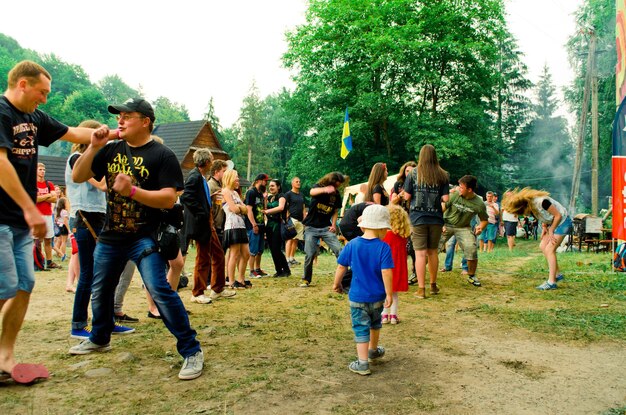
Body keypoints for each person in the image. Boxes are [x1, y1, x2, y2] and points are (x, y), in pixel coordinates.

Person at [69, 97, 203, 380]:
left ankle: (191, 350)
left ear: (145, 121)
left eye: (127, 116)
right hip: (110, 236)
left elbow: (169, 199)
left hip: (144, 237)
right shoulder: (110, 149)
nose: (120, 120)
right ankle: (100, 337)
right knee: (101, 290)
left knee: (159, 290)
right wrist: (93, 146)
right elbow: (79, 175)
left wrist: (132, 192)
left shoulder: (162, 155)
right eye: (119, 115)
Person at [0, 60, 106, 383]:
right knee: (4, 287)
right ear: (23, 85)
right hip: (4, 217)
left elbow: (74, 132)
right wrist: (31, 208)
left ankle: (5, 358)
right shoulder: (2, 113)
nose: (45, 99)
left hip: (20, 222)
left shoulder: (35, 118)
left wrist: (110, 135)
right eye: (42, 92)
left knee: (25, 285)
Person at [332, 204, 393, 376]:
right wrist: (389, 293)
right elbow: (386, 272)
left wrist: (336, 284)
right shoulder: (383, 247)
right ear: (382, 228)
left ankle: (363, 362)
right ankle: (373, 350)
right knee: (375, 323)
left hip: (357, 297)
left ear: (363, 225)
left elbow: (341, 267)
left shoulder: (352, 245)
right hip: (378, 297)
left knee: (360, 327)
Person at [180, 148, 235, 304]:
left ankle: (218, 288)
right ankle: (197, 293)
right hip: (202, 223)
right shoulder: (194, 176)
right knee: (203, 258)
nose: (212, 161)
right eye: (211, 159)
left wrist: (207, 199)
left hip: (208, 222)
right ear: (205, 161)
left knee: (218, 254)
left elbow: (195, 197)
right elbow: (186, 197)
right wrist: (202, 212)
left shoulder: (201, 177)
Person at [403, 144, 449, 298]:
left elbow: (407, 196)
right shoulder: (443, 174)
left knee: (420, 254)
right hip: (436, 218)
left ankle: (421, 289)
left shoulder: (413, 174)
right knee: (433, 252)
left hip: (417, 218)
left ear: (421, 156)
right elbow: (446, 199)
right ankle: (433, 286)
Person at [502, 188, 572, 290]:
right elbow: (543, 215)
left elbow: (558, 215)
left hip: (563, 222)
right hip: (553, 223)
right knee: (543, 246)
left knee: (549, 249)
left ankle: (552, 282)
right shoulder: (530, 206)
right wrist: (544, 227)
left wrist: (551, 230)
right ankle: (557, 274)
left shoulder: (542, 202)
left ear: (524, 206)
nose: (524, 214)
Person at [439, 175, 488, 287]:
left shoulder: (479, 204)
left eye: (461, 187)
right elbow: (442, 209)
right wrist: (440, 223)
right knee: (431, 247)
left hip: (463, 227)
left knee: (471, 247)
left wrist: (480, 227)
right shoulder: (455, 195)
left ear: (469, 190)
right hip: (446, 224)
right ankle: (416, 272)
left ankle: (471, 276)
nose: (458, 189)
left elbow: (485, 220)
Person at [300, 172, 346, 288]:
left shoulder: (336, 195)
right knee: (310, 254)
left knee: (339, 250)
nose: (336, 187)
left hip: (326, 228)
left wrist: (334, 225)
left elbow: (335, 211)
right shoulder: (319, 187)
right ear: (330, 181)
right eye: (335, 185)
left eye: (338, 185)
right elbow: (311, 192)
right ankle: (306, 279)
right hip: (311, 227)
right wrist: (326, 189)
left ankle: (345, 278)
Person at [221, 169, 250, 289]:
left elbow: (246, 209)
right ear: (230, 178)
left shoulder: (236, 193)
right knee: (234, 254)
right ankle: (231, 280)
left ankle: (241, 279)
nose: (238, 180)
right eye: (236, 177)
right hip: (232, 225)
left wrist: (240, 207)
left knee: (246, 253)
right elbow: (234, 209)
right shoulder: (225, 191)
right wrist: (240, 207)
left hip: (241, 225)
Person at [382, 205, 411, 324]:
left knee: (385, 292)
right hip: (398, 267)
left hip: (386, 267)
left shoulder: (385, 235)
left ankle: (384, 315)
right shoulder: (403, 236)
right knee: (394, 293)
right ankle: (393, 316)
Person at [390, 161, 417, 283]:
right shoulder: (398, 184)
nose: (409, 172)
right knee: (400, 247)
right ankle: (399, 273)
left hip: (415, 218)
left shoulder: (419, 184)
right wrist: (401, 195)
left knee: (413, 247)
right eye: (407, 171)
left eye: (412, 170)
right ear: (404, 172)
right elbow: (392, 202)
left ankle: (415, 272)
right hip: (400, 219)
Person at [263, 179, 291, 277]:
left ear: (278, 187)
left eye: (273, 186)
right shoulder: (270, 197)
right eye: (269, 186)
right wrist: (265, 199)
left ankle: (286, 270)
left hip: (278, 225)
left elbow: (281, 207)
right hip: (269, 225)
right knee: (272, 249)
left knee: (277, 249)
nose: (270, 187)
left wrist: (267, 212)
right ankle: (278, 270)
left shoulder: (281, 196)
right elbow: (265, 208)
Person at [36, 162, 61, 269]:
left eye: (43, 169)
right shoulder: (33, 183)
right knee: (37, 240)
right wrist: (48, 195)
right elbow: (35, 199)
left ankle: (49, 261)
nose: (42, 171)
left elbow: (55, 198)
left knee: (48, 239)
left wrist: (42, 197)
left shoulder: (49, 184)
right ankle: (38, 261)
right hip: (37, 215)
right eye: (40, 169)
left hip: (47, 214)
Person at [245, 173, 269, 278]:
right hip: (253, 225)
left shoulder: (260, 193)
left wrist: (265, 199)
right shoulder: (251, 192)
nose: (266, 183)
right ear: (258, 181)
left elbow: (264, 209)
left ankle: (258, 269)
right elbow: (248, 210)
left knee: (260, 249)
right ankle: (251, 270)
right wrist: (253, 224)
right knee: (253, 249)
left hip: (261, 224)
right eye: (265, 181)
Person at [284, 177, 306, 265]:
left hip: (300, 220)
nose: (298, 183)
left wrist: (305, 219)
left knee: (296, 239)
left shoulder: (301, 195)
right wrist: (286, 219)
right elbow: (285, 207)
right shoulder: (288, 194)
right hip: (291, 219)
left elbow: (304, 207)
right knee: (290, 239)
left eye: (299, 181)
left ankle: (292, 258)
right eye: (296, 182)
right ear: (292, 183)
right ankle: (287, 259)